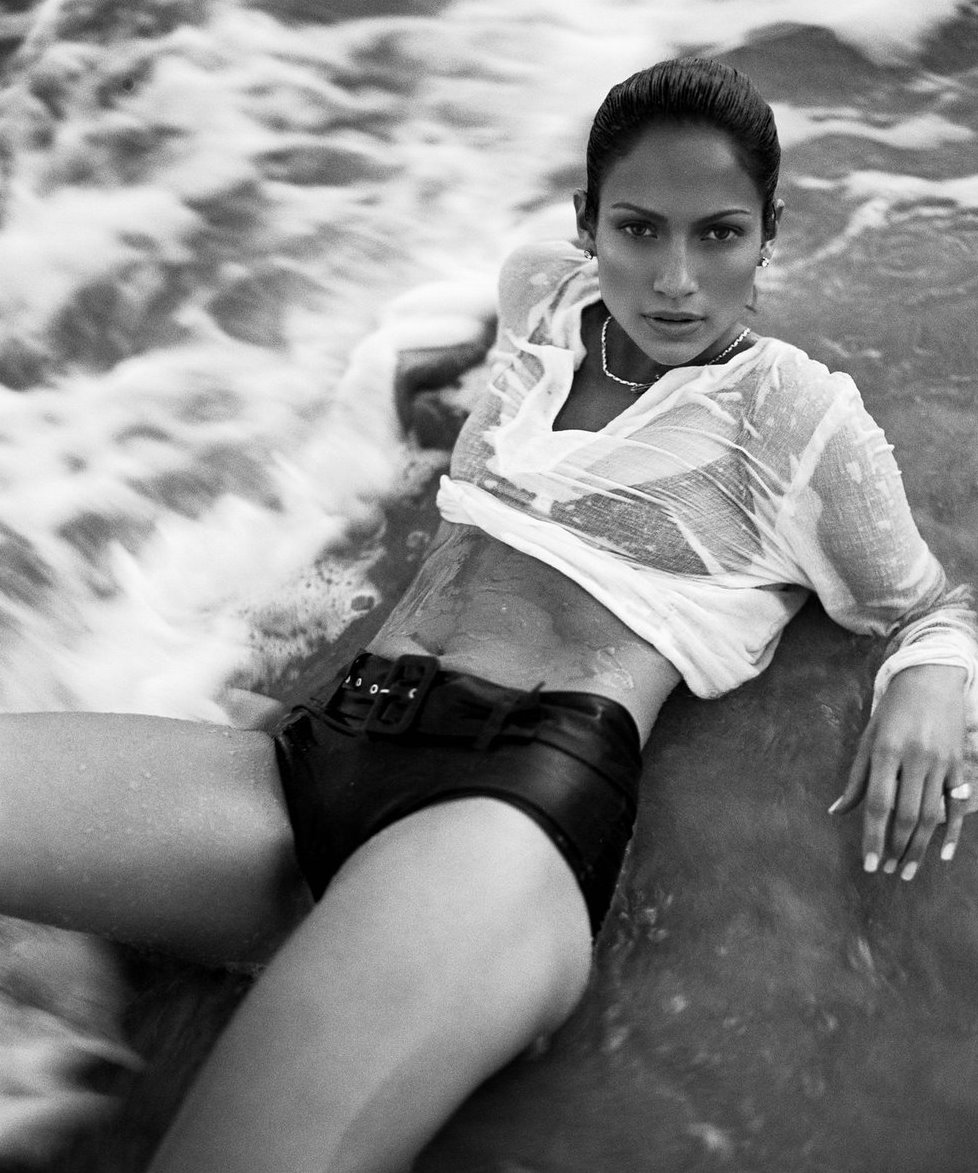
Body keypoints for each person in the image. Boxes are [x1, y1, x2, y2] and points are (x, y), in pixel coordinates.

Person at [1, 56, 976, 1173]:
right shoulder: (543, 295)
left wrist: (930, 676)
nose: (676, 280)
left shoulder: (795, 414)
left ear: (768, 235)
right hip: (309, 764)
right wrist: (420, 395)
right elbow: (501, 369)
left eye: (720, 234)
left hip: (498, 822)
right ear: (586, 225)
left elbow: (928, 602)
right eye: (638, 230)